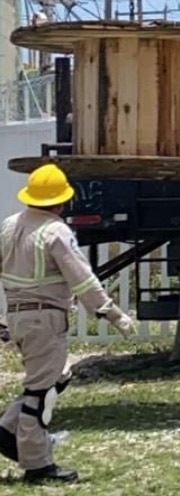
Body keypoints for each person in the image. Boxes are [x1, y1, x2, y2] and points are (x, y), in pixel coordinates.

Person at [0, 163, 136, 484]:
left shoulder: (8, 226)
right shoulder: (56, 232)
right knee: (40, 392)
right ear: (61, 202)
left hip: (18, 316)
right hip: (45, 318)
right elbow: (82, 280)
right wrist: (113, 314)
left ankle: (7, 428)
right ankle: (37, 465)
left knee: (56, 376)